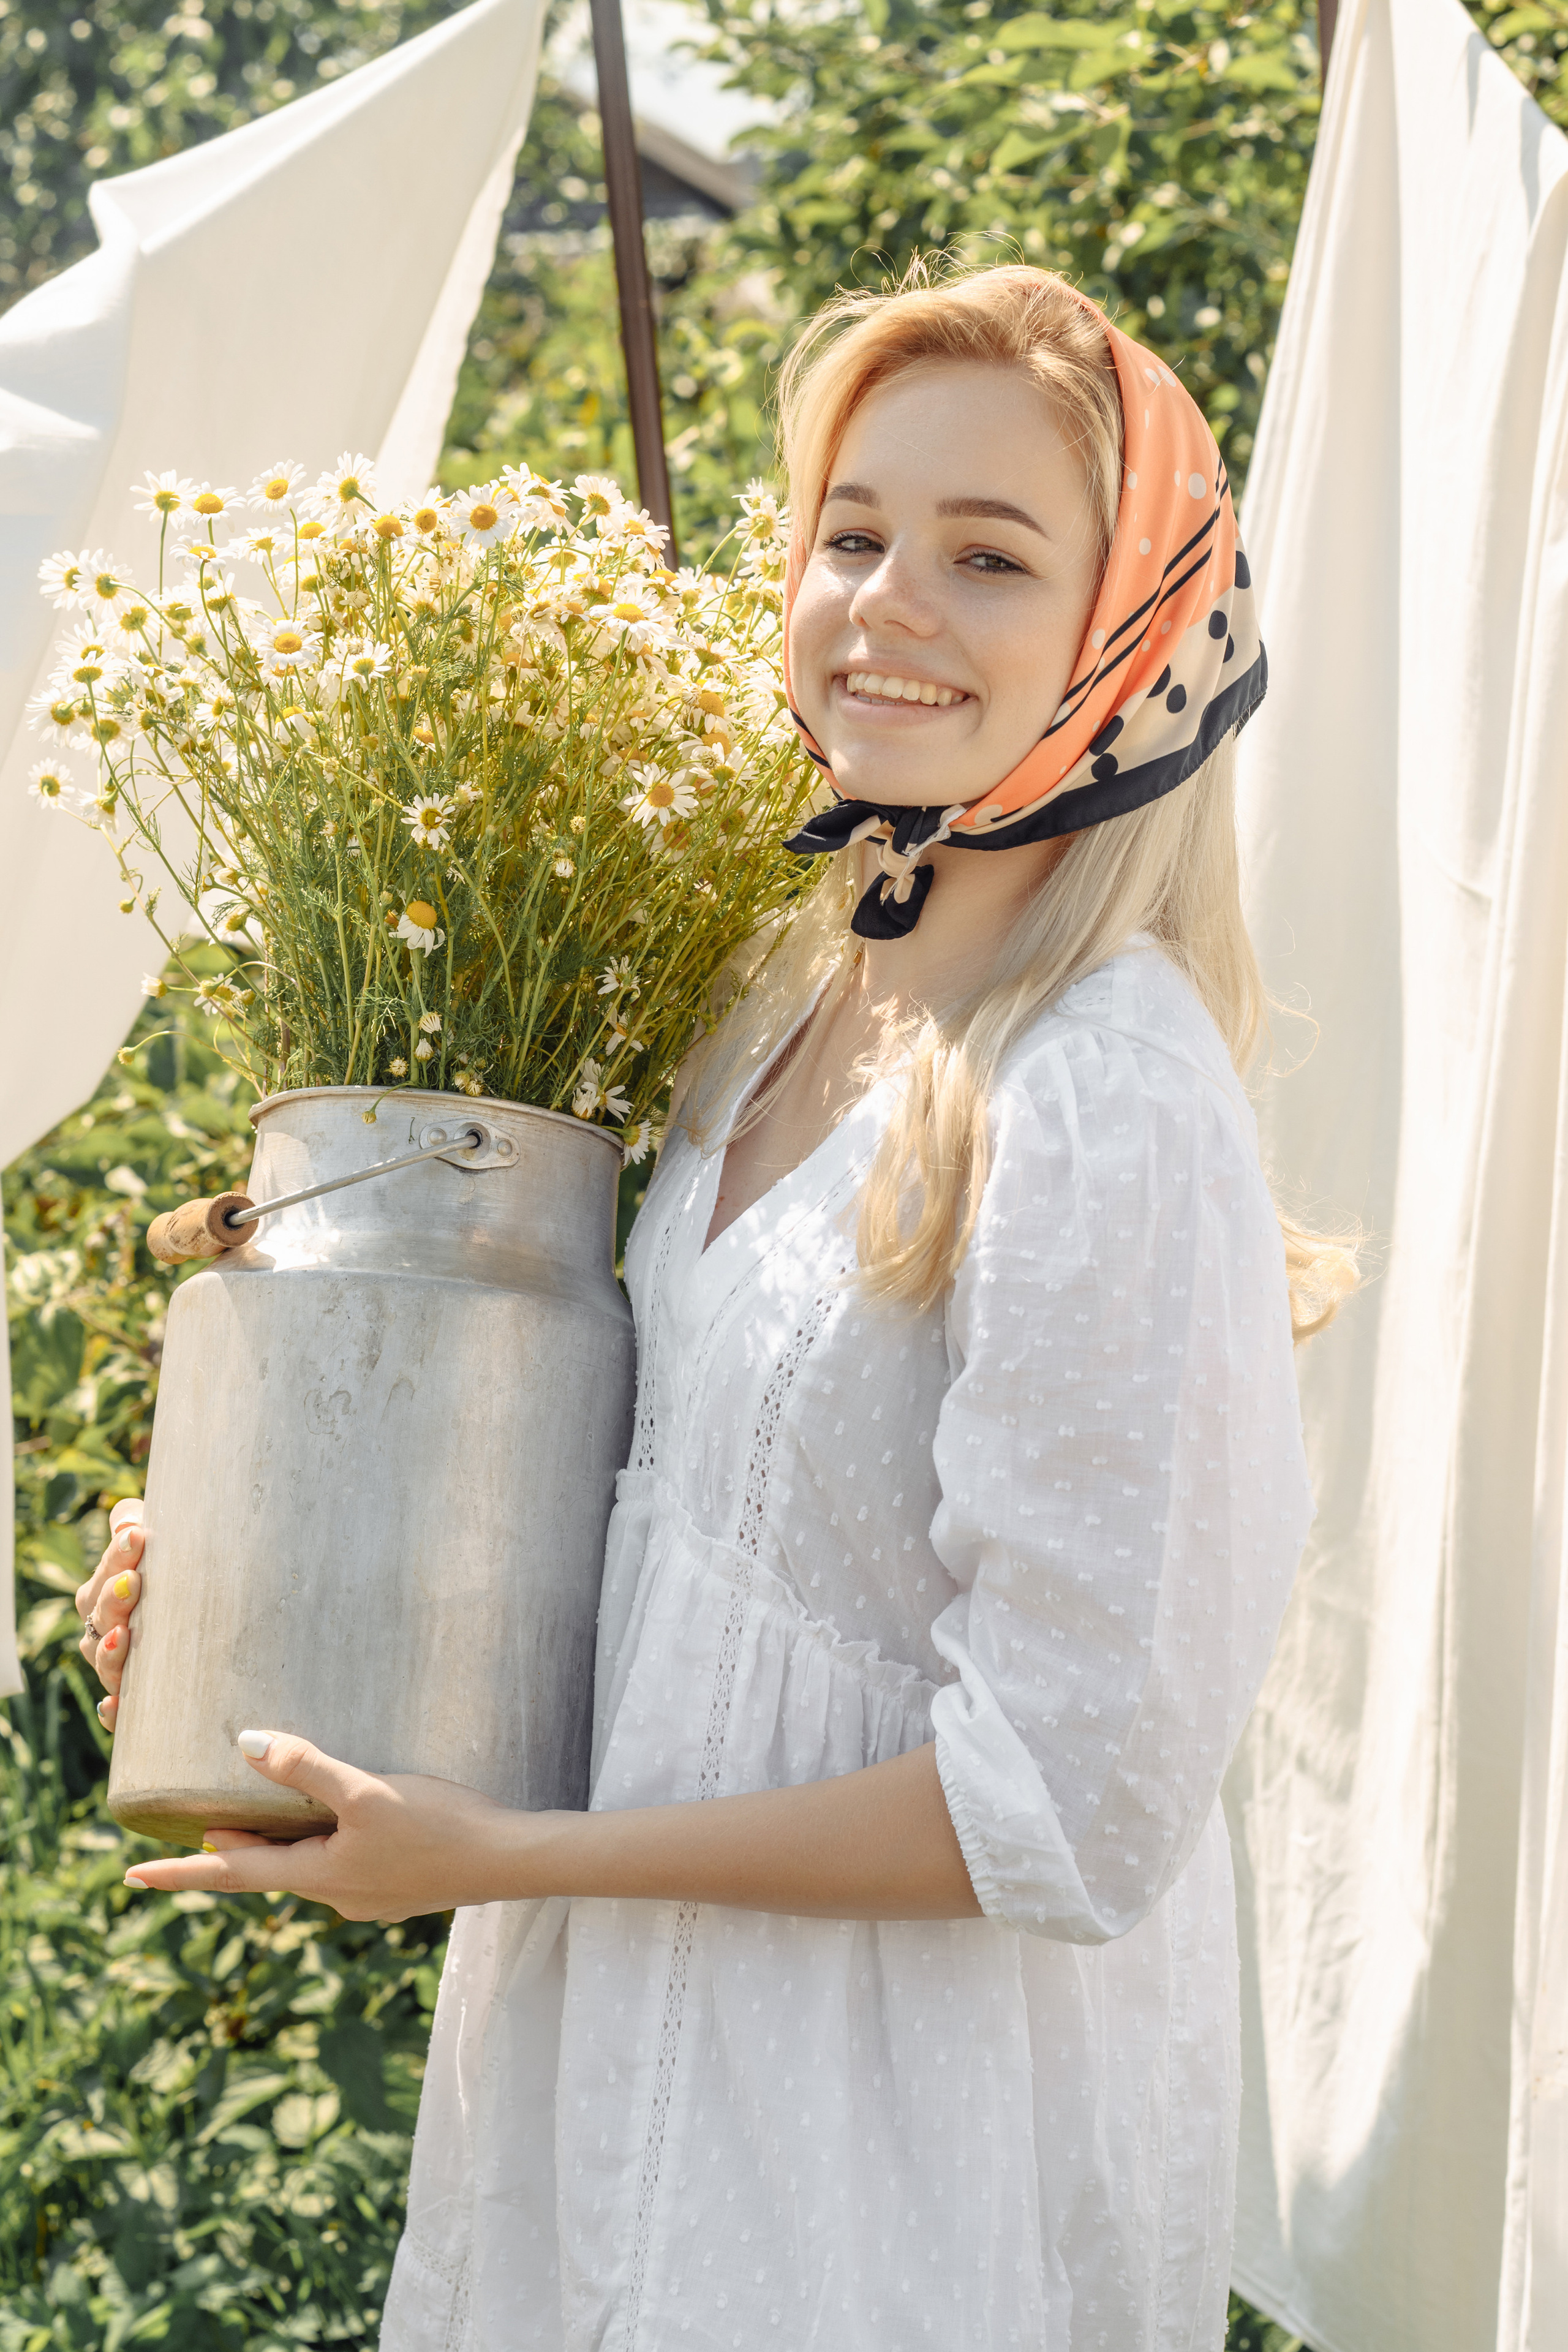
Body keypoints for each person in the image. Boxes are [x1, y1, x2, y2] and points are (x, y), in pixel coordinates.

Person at [79, 263, 1353, 2351]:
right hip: (595, 2083)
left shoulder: (1102, 1092)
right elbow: (676, 1546)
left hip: (879, 2153)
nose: (887, 602)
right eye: (851, 533)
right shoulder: (772, 1007)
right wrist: (277, 1576)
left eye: (989, 555)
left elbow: (1065, 1807)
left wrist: (515, 1856)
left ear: (1126, 638)